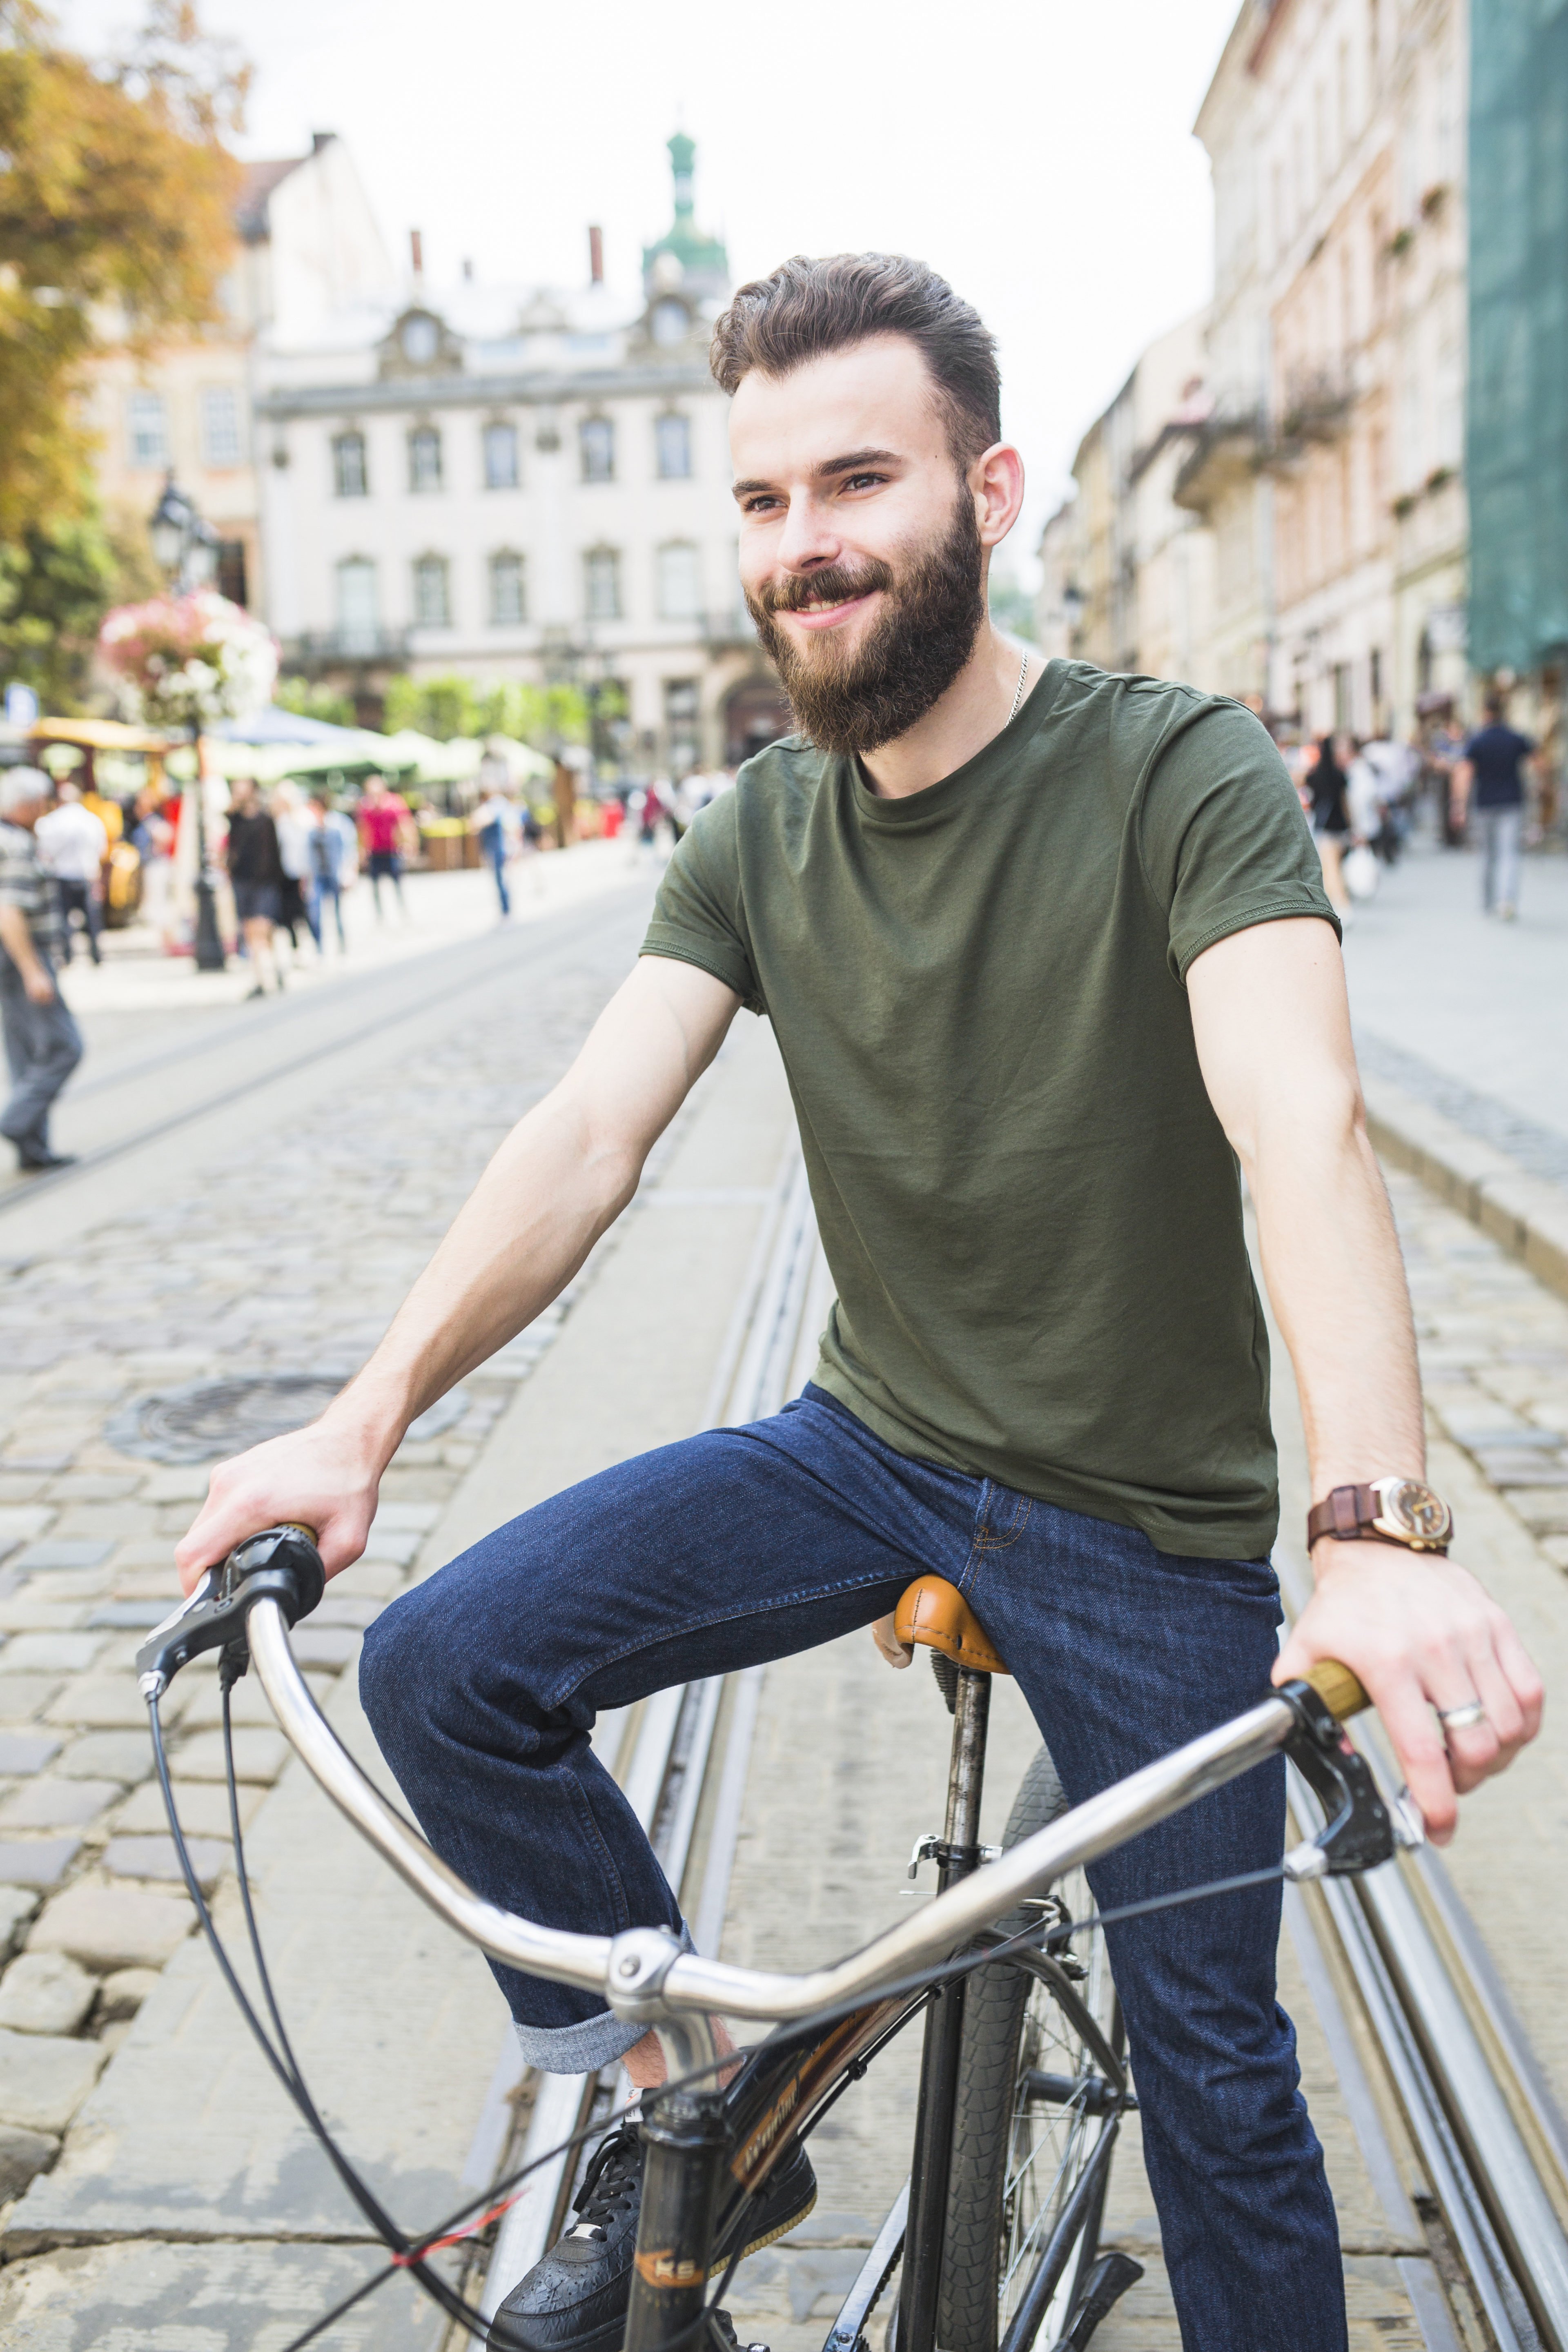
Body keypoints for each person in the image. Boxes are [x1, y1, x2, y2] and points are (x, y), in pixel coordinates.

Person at [177, 256, 1542, 2352]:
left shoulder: (1178, 772)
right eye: (760, 504)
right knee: (448, 1666)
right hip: (870, 1448)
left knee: (1226, 2097)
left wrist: (1368, 1530)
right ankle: (689, 2113)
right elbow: (585, 1135)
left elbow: (1305, 1124)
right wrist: (363, 1420)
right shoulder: (754, 822)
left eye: (856, 482)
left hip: (1143, 1528)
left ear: (984, 491)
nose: (803, 548)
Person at [0, 768, 82, 1171]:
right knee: (64, 1047)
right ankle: (16, 1122)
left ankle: (33, 1148)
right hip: (20, 956)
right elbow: (9, 911)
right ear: (29, 804)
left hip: (10, 959)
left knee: (25, 1053)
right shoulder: (15, 843)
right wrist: (34, 970)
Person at [1452, 692, 1538, 919]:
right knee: (1510, 853)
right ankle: (1507, 901)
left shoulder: (1478, 740)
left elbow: (1465, 773)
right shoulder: (1516, 738)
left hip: (1485, 805)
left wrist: (1459, 805)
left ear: (1485, 712)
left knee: (1488, 855)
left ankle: (1489, 902)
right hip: (1512, 803)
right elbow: (1538, 763)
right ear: (1503, 711)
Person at [34, 777, 108, 967]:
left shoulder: (52, 821)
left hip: (62, 875)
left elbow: (45, 852)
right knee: (92, 918)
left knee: (63, 919)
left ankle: (68, 956)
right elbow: (101, 849)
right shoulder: (92, 820)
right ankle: (97, 955)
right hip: (87, 874)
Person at [223, 777, 286, 998]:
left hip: (265, 883)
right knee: (251, 934)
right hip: (242, 882)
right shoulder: (236, 819)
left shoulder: (266, 819)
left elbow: (275, 855)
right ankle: (262, 977)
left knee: (262, 932)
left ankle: (273, 970)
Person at [272, 782, 323, 959]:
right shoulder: (279, 821)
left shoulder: (304, 818)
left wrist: (307, 874)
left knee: (308, 912)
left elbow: (310, 849)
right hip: (284, 874)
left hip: (303, 873)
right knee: (288, 915)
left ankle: (317, 947)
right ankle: (297, 949)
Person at [129, 788, 177, 954]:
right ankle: (165, 941)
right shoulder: (149, 822)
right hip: (154, 865)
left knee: (160, 903)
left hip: (156, 866)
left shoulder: (152, 822)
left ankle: (167, 942)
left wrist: (157, 849)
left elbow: (166, 835)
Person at [357, 775, 412, 919]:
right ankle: (380, 915)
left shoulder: (395, 803)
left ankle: (403, 911)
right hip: (375, 851)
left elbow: (404, 824)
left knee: (397, 883)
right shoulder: (366, 807)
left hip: (392, 850)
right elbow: (364, 830)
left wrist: (407, 843)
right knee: (375, 886)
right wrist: (362, 851)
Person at [306, 791, 355, 951]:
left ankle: (342, 946)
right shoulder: (310, 826)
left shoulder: (339, 823)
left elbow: (350, 849)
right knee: (315, 913)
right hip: (318, 876)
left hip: (336, 874)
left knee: (338, 913)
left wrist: (349, 872)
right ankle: (320, 948)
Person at [470, 777, 521, 918]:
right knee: (504, 880)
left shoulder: (494, 805)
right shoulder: (503, 804)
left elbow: (477, 821)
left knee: (501, 881)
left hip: (499, 849)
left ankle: (506, 911)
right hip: (504, 848)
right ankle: (506, 910)